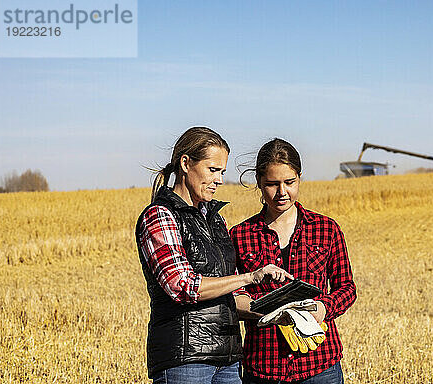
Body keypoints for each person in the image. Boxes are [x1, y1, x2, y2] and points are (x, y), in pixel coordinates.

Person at [135, 127, 292, 384]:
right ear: (186, 163)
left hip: (227, 357)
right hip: (186, 360)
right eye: (213, 170)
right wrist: (250, 277)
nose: (219, 180)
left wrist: (279, 310)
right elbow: (182, 286)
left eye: (222, 172)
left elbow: (227, 287)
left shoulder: (215, 219)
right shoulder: (160, 216)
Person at [230, 138, 357, 383]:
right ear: (259, 183)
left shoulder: (326, 229)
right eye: (271, 184)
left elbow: (347, 289)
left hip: (320, 365)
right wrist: (264, 311)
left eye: (289, 182)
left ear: (300, 178)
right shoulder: (240, 235)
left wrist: (323, 308)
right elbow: (234, 297)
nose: (282, 192)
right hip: (264, 367)